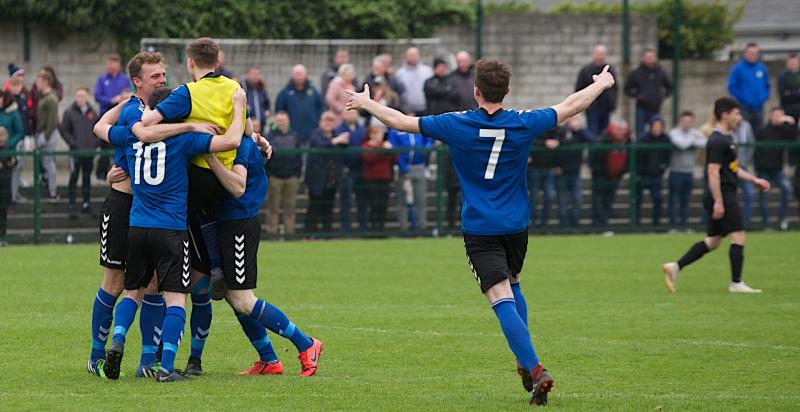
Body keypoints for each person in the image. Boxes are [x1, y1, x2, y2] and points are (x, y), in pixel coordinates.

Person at [346, 57, 616, 406]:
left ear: (476, 91)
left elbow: (400, 121)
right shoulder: (524, 122)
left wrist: (367, 103)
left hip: (480, 226)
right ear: (507, 90)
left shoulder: (455, 124)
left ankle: (536, 369)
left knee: (500, 297)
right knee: (514, 281)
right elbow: (570, 106)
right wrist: (601, 84)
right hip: (516, 224)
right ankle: (524, 358)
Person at [95, 87, 246, 382]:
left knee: (132, 292)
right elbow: (231, 140)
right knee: (176, 299)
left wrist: (126, 103)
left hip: (137, 227)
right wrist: (238, 107)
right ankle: (166, 369)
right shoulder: (183, 139)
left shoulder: (130, 134)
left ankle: (119, 339)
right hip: (171, 229)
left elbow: (100, 127)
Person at [87, 51, 217, 379]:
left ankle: (147, 360)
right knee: (116, 283)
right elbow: (138, 133)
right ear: (137, 82)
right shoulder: (136, 111)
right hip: (124, 208)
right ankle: (97, 354)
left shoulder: (165, 111)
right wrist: (188, 127)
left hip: (150, 212)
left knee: (154, 285)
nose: (162, 78)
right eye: (155, 75)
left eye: (163, 73)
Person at [204, 121, 324, 378]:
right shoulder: (238, 139)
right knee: (230, 295)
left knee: (244, 300)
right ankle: (269, 359)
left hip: (239, 223)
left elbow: (237, 187)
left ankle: (306, 344)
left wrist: (210, 158)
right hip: (227, 222)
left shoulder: (242, 144)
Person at [662, 97, 771, 294]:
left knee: (713, 241)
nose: (740, 118)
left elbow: (732, 169)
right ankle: (736, 283)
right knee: (738, 236)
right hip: (723, 195)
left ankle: (675, 267)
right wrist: (719, 202)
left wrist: (754, 179)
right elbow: (713, 172)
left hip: (721, 194)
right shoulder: (718, 141)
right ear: (725, 115)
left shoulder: (728, 139)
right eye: (737, 114)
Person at [60, 87, 99, 218]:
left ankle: (86, 204)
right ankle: (72, 205)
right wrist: (73, 143)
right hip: (75, 152)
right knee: (74, 177)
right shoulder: (69, 112)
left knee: (87, 178)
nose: (80, 98)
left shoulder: (93, 113)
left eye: (82, 96)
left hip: (89, 153)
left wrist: (94, 144)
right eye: (77, 96)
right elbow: (64, 130)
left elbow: (98, 130)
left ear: (87, 97)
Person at [754, 108, 795, 230]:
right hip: (763, 169)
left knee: (787, 190)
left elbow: (793, 139)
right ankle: (765, 223)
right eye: (776, 115)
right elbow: (756, 151)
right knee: (762, 196)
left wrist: (791, 123)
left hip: (777, 169)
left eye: (781, 115)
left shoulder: (784, 130)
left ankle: (782, 220)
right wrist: (758, 168)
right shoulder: (762, 130)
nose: (778, 118)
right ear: (771, 116)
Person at [306, 111, 346, 234]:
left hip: (332, 179)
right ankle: (310, 233)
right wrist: (336, 141)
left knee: (329, 207)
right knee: (314, 207)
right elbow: (321, 145)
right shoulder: (316, 135)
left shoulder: (337, 135)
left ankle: (327, 233)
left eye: (331, 121)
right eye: (325, 121)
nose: (328, 124)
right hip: (317, 179)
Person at [388, 122, 432, 232]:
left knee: (420, 198)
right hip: (403, 168)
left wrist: (424, 151)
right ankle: (404, 227)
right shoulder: (395, 130)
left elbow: (429, 140)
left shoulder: (421, 125)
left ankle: (421, 226)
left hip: (419, 166)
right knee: (403, 199)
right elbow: (395, 149)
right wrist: (402, 166)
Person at [95, 54, 132, 179]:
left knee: (120, 147)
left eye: (112, 63)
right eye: (108, 63)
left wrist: (123, 98)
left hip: (120, 119)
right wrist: (111, 100)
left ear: (118, 65)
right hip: (105, 120)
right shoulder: (101, 80)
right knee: (104, 149)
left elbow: (130, 94)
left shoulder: (125, 79)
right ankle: (101, 175)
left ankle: (122, 173)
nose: (109, 66)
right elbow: (97, 96)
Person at [668, 111, 706, 230]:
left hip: (689, 172)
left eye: (690, 121)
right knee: (674, 200)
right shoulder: (673, 133)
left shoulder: (695, 133)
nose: (687, 124)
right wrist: (694, 141)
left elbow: (705, 142)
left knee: (686, 200)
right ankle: (674, 226)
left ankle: (684, 225)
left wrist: (692, 140)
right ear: (680, 121)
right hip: (675, 171)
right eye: (684, 121)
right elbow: (682, 144)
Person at [265, 112, 302, 236]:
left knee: (290, 207)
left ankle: (289, 233)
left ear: (288, 121)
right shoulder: (270, 136)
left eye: (283, 120)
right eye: (279, 120)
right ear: (275, 122)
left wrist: (297, 174)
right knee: (273, 207)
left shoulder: (295, 136)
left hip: (292, 177)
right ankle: (272, 233)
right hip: (275, 177)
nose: (281, 123)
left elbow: (299, 157)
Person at [589, 121, 630, 231]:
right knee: (598, 203)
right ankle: (598, 226)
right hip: (600, 177)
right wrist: (597, 173)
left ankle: (604, 225)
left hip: (615, 178)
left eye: (623, 130)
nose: (620, 132)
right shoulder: (603, 140)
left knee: (607, 202)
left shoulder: (627, 142)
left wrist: (621, 173)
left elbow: (628, 160)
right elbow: (593, 159)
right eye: (618, 129)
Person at [555, 117, 594, 228]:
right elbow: (558, 143)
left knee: (577, 199)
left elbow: (592, 140)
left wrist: (580, 130)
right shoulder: (561, 131)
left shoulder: (580, 134)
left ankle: (574, 223)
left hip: (575, 171)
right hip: (562, 172)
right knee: (562, 200)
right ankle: (564, 224)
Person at [624, 48, 673, 138]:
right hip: (641, 108)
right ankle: (640, 151)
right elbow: (627, 89)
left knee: (657, 132)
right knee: (640, 133)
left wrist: (663, 96)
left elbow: (670, 87)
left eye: (652, 57)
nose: (650, 59)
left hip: (656, 108)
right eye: (647, 57)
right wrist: (638, 96)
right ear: (642, 58)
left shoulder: (661, 72)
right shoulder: (636, 73)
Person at [334, 109, 368, 233]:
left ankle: (364, 228)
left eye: (353, 113)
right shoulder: (338, 130)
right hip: (346, 170)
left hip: (361, 169)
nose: (351, 115)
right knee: (345, 201)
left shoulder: (363, 130)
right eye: (348, 113)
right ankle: (345, 229)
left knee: (362, 201)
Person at [275, 64, 324, 145]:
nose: (299, 77)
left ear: (306, 75)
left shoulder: (314, 91)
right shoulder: (284, 93)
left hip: (311, 134)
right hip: (292, 136)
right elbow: (279, 111)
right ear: (292, 75)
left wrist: (318, 123)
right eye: (296, 74)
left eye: (301, 74)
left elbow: (321, 107)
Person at [635, 117, 671, 227]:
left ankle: (656, 225)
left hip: (656, 175)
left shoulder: (665, 139)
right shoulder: (642, 139)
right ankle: (636, 224)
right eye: (655, 126)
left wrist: (662, 168)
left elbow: (667, 156)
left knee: (658, 199)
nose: (657, 129)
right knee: (637, 200)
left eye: (659, 127)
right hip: (642, 175)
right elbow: (636, 157)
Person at [575, 44, 618, 136]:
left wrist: (612, 104)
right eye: (598, 53)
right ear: (594, 54)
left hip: (605, 107)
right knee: (592, 133)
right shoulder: (586, 70)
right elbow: (579, 88)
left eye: (602, 53)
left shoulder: (610, 70)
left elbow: (615, 89)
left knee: (605, 133)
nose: (600, 56)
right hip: (591, 107)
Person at [727, 43, 771, 129]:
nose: (753, 55)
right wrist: (744, 99)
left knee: (759, 132)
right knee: (744, 131)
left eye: (755, 53)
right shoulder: (738, 68)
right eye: (750, 53)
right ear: (745, 54)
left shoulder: (762, 68)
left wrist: (763, 98)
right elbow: (731, 87)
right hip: (744, 108)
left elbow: (767, 86)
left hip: (759, 108)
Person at [361, 125, 394, 232]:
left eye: (380, 133)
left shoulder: (386, 145)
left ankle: (381, 227)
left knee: (383, 204)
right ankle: (373, 227)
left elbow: (394, 158)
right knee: (373, 204)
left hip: (385, 178)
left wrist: (387, 150)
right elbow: (369, 158)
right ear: (370, 135)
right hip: (371, 179)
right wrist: (383, 151)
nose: (378, 136)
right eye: (375, 133)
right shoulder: (366, 146)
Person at [34, 72, 60, 200]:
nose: (36, 84)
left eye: (38, 81)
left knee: (49, 162)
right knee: (45, 162)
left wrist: (45, 136)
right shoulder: (44, 97)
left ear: (45, 82)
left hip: (47, 133)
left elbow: (51, 120)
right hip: (42, 132)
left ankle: (53, 192)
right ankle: (48, 188)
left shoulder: (51, 98)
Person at [528, 130, 559, 228]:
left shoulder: (556, 129)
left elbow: (564, 138)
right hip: (535, 168)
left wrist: (558, 142)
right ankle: (533, 221)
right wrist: (545, 143)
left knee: (549, 196)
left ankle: (544, 222)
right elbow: (529, 139)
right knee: (533, 197)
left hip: (549, 168)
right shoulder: (536, 126)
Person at [7, 76, 30, 204]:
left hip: (21, 138)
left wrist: (28, 135)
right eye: (14, 85)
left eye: (18, 85)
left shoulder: (23, 99)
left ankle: (14, 192)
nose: (16, 88)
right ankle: (12, 194)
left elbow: (26, 119)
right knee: (13, 168)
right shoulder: (8, 100)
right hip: (12, 140)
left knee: (19, 167)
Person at [732, 117, 757, 225]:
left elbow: (751, 143)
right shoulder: (723, 131)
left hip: (742, 165)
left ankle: (745, 223)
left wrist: (745, 160)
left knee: (749, 193)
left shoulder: (746, 125)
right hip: (729, 167)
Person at [395, 47, 433, 115]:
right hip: (407, 111)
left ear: (419, 56)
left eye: (415, 55)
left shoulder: (427, 71)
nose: (413, 57)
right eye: (411, 55)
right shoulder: (400, 73)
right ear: (406, 56)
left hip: (425, 109)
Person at [241, 67, 271, 133]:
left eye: (257, 74)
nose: (255, 77)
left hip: (261, 126)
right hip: (247, 126)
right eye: (253, 74)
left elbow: (267, 103)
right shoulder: (243, 87)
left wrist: (267, 111)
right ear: (248, 75)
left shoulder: (261, 88)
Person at [0, 126, 16, 246]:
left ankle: (3, 236)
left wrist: (13, 162)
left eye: (3, 136)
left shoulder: (9, 149)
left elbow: (13, 161)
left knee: (3, 213)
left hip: (5, 186)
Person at [777, 53, 800, 122]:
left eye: (795, 62)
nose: (793, 64)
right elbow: (783, 95)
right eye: (791, 62)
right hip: (788, 110)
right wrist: (797, 93)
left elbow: (788, 94)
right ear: (787, 63)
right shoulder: (783, 77)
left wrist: (791, 93)